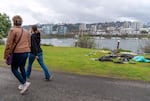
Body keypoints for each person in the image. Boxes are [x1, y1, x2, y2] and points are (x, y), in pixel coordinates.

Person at [4, 15, 31, 94]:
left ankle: (24, 83)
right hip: (26, 52)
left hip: (18, 52)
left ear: (14, 22)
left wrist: (6, 55)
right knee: (22, 67)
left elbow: (9, 44)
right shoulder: (26, 31)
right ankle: (24, 83)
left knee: (14, 69)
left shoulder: (13, 30)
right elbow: (29, 43)